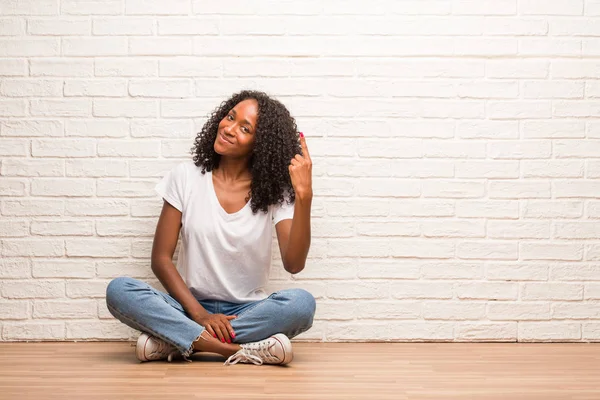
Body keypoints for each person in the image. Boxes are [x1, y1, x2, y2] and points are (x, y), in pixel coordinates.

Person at [105, 90, 316, 366]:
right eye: (230, 117)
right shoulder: (185, 177)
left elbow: (294, 264)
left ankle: (175, 340)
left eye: (244, 128)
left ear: (260, 144)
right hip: (185, 307)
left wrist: (304, 196)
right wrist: (200, 315)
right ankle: (233, 350)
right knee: (119, 290)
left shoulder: (275, 193)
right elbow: (160, 260)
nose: (229, 128)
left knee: (302, 305)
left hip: (245, 310)